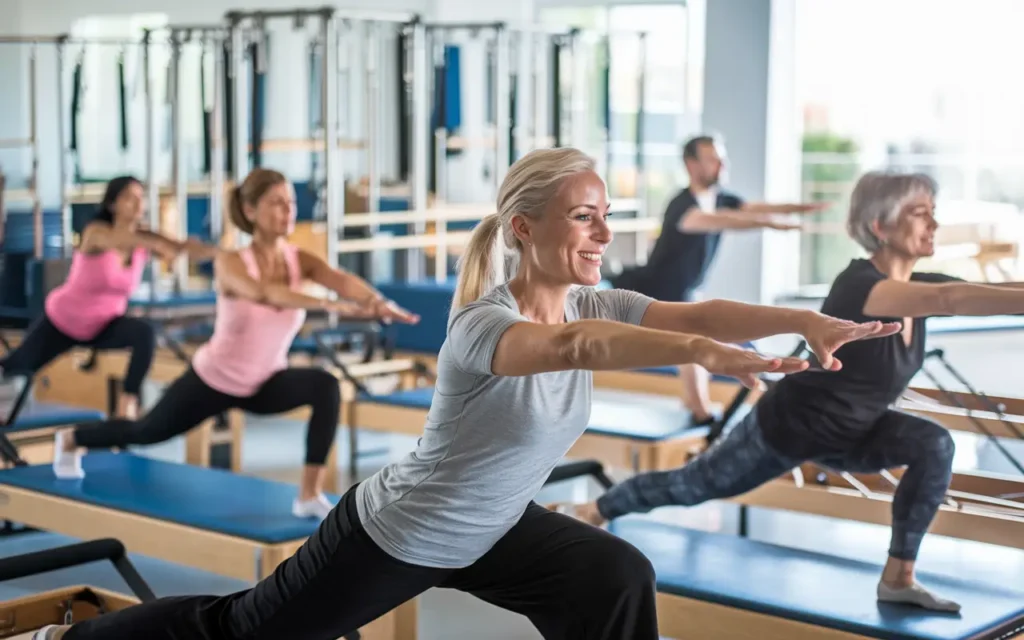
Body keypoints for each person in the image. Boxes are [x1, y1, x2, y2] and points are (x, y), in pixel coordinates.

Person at [35, 148, 897, 640]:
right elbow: (576, 344)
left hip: (493, 526)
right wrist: (705, 351)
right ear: (526, 230)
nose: (605, 231)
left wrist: (802, 318)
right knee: (239, 633)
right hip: (401, 530)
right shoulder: (485, 326)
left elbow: (689, 305)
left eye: (606, 213)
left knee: (613, 575)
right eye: (584, 216)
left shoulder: (599, 295)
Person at [554, 169, 1024, 614]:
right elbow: (953, 300)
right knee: (692, 485)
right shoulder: (860, 286)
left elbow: (981, 289)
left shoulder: (919, 290)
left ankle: (898, 578)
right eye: (921, 211)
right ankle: (594, 508)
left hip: (856, 433)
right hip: (788, 427)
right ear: (880, 225)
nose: (934, 222)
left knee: (935, 444)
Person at [51, 168, 420, 520]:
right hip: (213, 380)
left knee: (325, 386)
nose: (287, 210)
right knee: (146, 432)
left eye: (290, 202)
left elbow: (341, 280)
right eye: (276, 202)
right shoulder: (232, 262)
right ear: (250, 210)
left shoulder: (300, 260)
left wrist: (376, 302)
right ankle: (72, 438)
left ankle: (308, 494)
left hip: (264, 382)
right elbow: (265, 293)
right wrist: (328, 305)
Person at [611, 135, 828, 425]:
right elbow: (723, 220)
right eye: (712, 159)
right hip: (652, 290)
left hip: (684, 291)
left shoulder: (720, 198)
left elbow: (753, 208)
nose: (721, 164)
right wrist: (770, 224)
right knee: (693, 342)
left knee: (699, 339)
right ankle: (701, 413)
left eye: (721, 158)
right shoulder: (682, 206)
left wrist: (798, 209)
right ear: (691, 165)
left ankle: (696, 406)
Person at [0, 176, 217, 420]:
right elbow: (128, 239)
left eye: (140, 197)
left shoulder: (143, 242)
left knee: (143, 333)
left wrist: (214, 253)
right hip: (64, 322)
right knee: (15, 368)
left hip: (103, 326)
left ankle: (128, 405)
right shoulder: (96, 233)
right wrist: (170, 243)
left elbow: (180, 251)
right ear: (112, 204)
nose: (137, 203)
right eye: (128, 197)